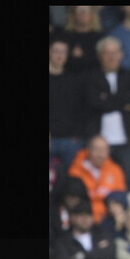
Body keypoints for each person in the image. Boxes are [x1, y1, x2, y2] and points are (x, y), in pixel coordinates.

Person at [82, 36, 130, 182]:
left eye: (115, 53)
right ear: (99, 56)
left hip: (126, 139)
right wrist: (122, 102)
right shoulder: (90, 76)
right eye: (107, 53)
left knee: (124, 180)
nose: (111, 57)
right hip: (98, 140)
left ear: (121, 55)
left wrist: (106, 98)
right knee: (96, 180)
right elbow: (94, 102)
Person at [68, 135, 127, 225]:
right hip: (84, 218)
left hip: (108, 218)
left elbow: (120, 194)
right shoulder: (76, 170)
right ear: (88, 150)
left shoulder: (115, 170)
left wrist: (116, 204)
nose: (100, 154)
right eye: (96, 149)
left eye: (104, 150)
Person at [49, 37, 86, 169]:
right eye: (56, 51)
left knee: (72, 177)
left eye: (63, 52)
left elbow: (80, 109)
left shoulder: (73, 80)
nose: (60, 55)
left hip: (69, 139)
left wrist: (76, 134)